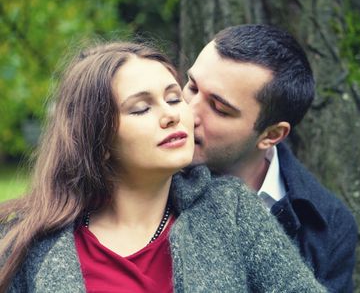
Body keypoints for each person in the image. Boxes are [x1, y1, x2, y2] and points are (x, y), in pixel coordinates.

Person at [0, 42, 327, 292]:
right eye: (141, 108)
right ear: (96, 140)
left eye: (173, 98)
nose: (172, 115)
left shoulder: (231, 209)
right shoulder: (25, 243)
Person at [183, 24, 358, 292]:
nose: (188, 113)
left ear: (271, 134)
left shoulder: (328, 225)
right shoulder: (142, 170)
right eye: (192, 88)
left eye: (218, 108)